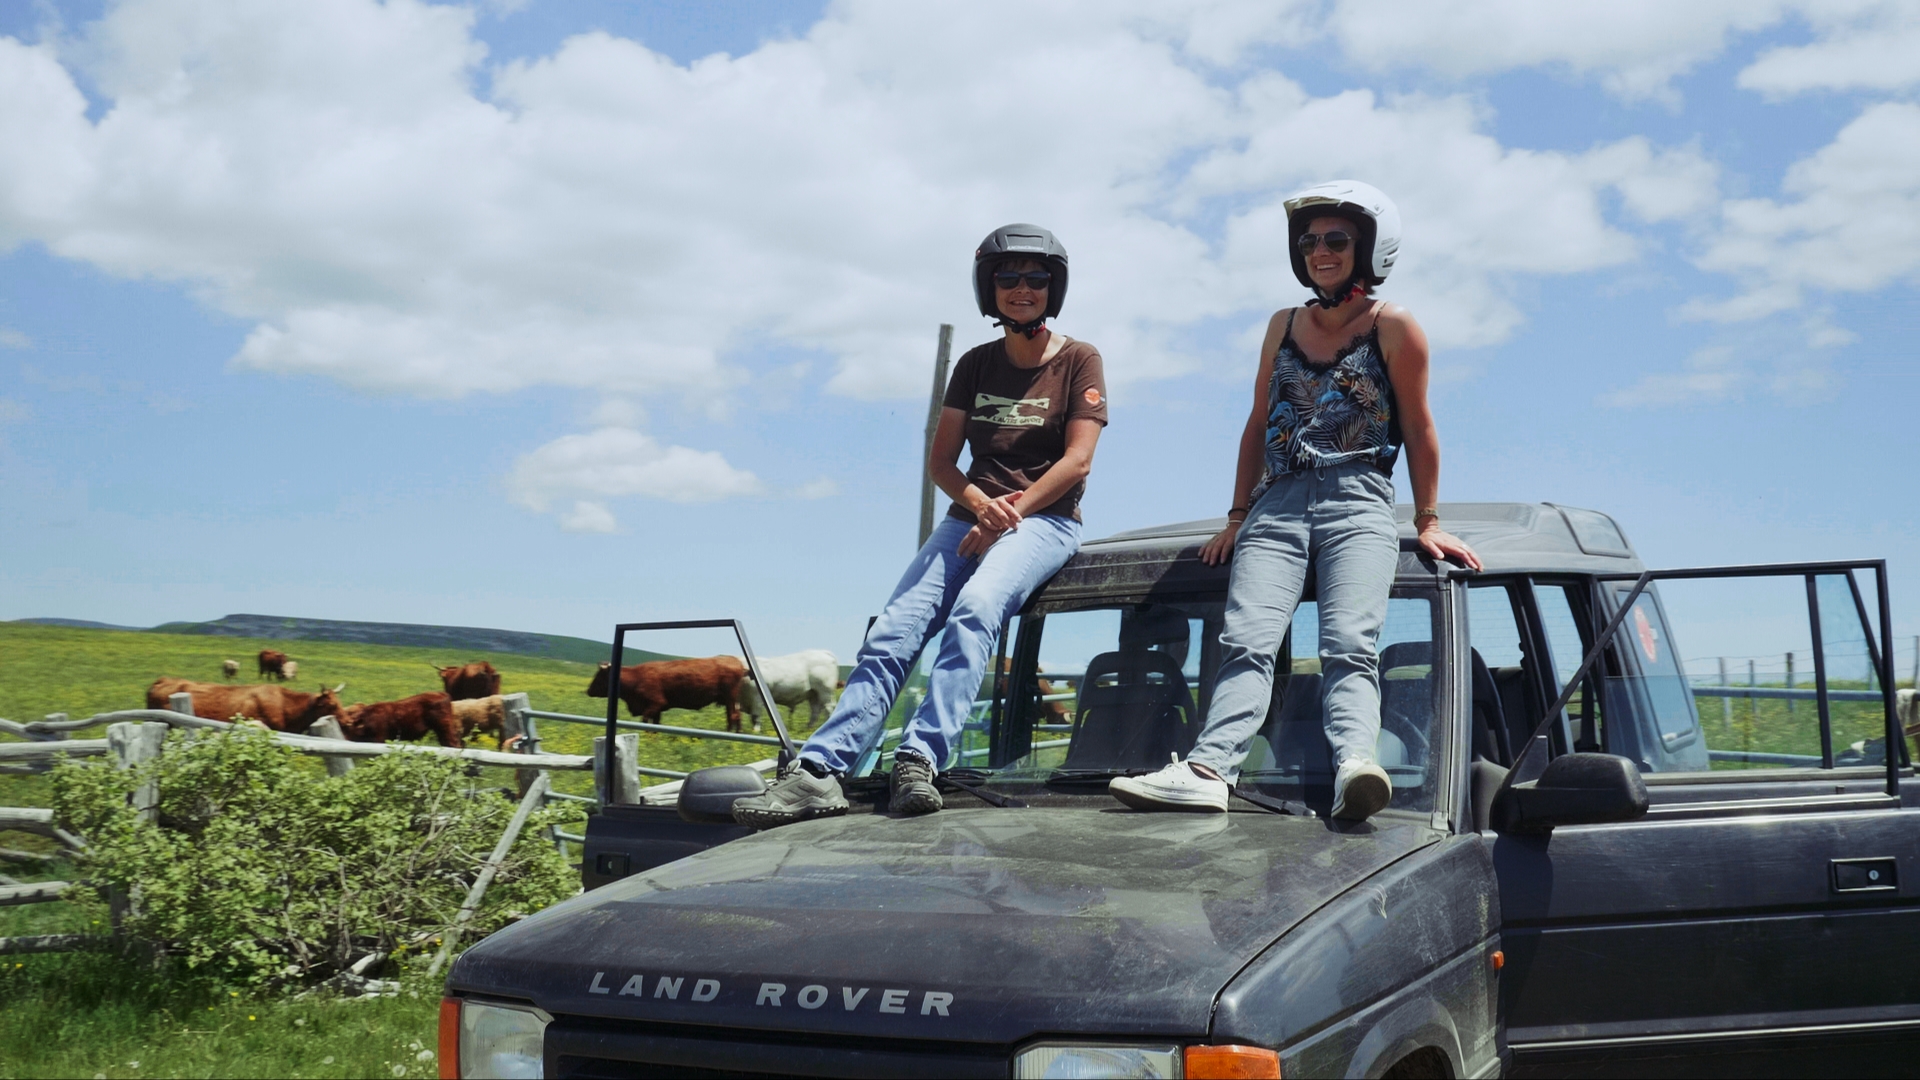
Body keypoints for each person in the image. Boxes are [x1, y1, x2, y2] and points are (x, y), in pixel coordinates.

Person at [1110, 181, 1480, 822]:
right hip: (1276, 503)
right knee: (1247, 640)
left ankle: (1354, 768)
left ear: (1369, 249)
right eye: (1309, 242)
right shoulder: (1282, 325)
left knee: (1348, 644)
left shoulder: (1395, 326)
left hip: (1359, 496)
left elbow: (1420, 428)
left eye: (1336, 240)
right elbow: (1257, 424)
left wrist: (1428, 521)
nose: (1320, 251)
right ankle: (1208, 771)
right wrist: (1235, 516)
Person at [733, 224, 1108, 828]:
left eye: (1036, 278)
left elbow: (1077, 461)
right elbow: (941, 462)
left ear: (1052, 288)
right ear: (989, 288)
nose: (1022, 289)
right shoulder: (976, 364)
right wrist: (980, 506)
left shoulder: (1079, 359)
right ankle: (821, 771)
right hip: (970, 514)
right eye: (1008, 278)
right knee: (894, 630)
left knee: (977, 607)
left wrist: (1006, 512)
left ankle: (919, 757)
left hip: (1045, 518)